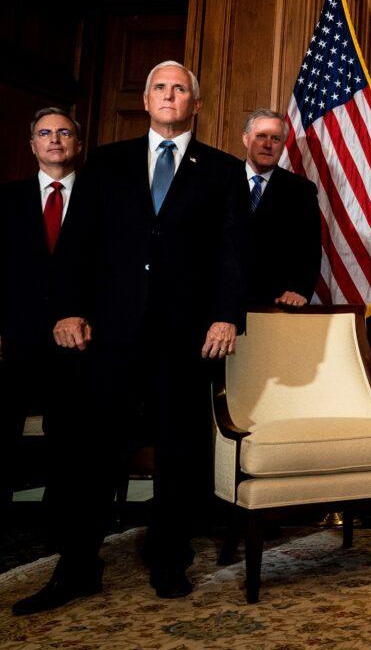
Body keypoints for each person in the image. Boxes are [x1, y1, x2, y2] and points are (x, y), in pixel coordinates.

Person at [12, 60, 248, 615]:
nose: (170, 96)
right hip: (111, 335)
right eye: (160, 88)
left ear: (195, 102)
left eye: (180, 89)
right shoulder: (107, 162)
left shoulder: (221, 170)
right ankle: (77, 568)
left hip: (186, 337)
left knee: (179, 453)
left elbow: (234, 253)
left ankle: (168, 558)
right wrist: (67, 309)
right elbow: (78, 243)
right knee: (93, 455)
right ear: (145, 100)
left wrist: (226, 316)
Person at [0, 108, 83, 520]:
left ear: (77, 144)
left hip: (79, 341)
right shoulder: (7, 200)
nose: (55, 139)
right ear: (32, 144)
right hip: (15, 338)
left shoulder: (100, 199)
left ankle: (61, 525)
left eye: (64, 132)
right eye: (45, 133)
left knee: (68, 437)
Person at [241, 108, 321, 307]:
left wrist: (300, 290)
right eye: (260, 136)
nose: (267, 145)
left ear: (283, 145)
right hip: (218, 305)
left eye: (275, 139)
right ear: (246, 139)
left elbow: (309, 249)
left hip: (275, 306)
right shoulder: (221, 179)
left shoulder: (302, 191)